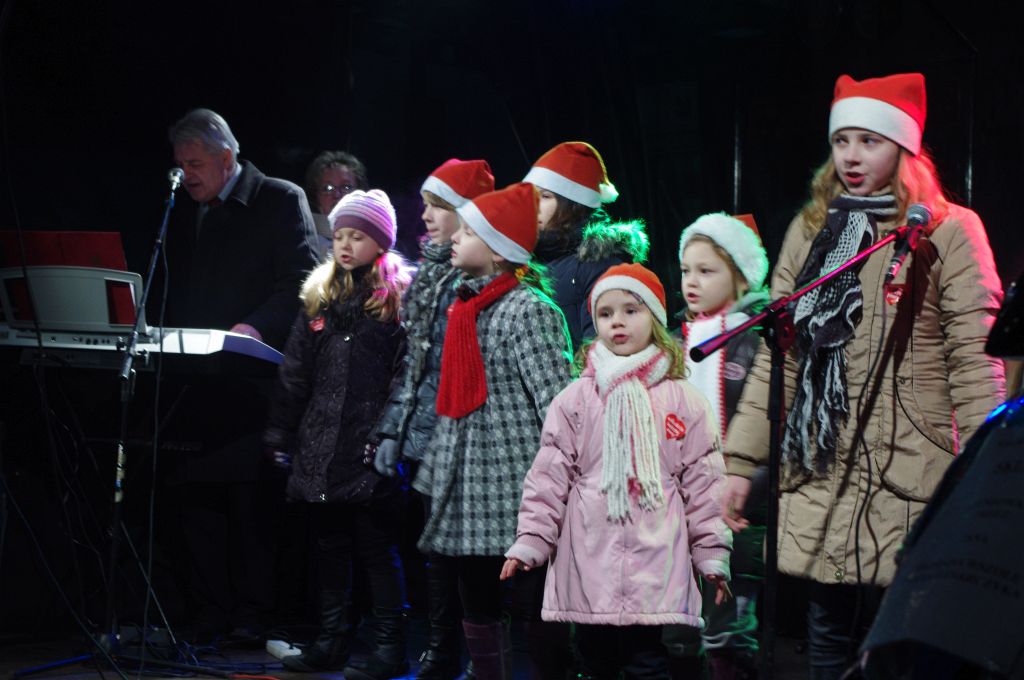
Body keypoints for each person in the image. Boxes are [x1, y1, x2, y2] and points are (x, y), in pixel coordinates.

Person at [721, 73, 1007, 680]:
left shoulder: (948, 230)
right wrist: (740, 464)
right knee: (825, 635)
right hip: (823, 465)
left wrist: (985, 472)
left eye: (869, 141)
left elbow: (974, 358)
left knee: (900, 643)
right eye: (841, 140)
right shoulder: (812, 229)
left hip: (911, 464)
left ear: (903, 149)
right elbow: (780, 355)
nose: (850, 156)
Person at [501, 263, 732, 680]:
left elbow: (704, 483)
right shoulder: (575, 399)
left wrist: (711, 553)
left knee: (647, 662)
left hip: (654, 559)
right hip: (590, 557)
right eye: (606, 313)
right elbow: (549, 476)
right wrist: (532, 539)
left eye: (631, 310)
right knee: (596, 660)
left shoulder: (684, 400)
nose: (617, 322)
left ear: (655, 318)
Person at [163, 108, 320, 642]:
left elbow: (301, 281)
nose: (186, 175)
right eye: (180, 164)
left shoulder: (279, 198)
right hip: (196, 376)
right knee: (196, 496)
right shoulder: (184, 208)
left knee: (249, 502)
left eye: (195, 164)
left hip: (254, 378)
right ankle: (209, 610)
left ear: (227, 157)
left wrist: (254, 327)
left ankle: (254, 614)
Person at [413, 182, 573, 679]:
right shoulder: (462, 305)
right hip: (466, 477)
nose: (455, 238)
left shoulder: (530, 309)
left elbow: (556, 404)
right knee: (475, 596)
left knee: (533, 600)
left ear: (500, 251)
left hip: (512, 477)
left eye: (468, 232)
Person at [264, 189, 412, 677]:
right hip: (322, 444)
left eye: (357, 236)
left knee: (375, 547)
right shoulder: (319, 297)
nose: (345, 245)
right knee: (328, 546)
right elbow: (295, 371)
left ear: (381, 243)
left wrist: (389, 435)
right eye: (340, 235)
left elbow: (406, 374)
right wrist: (281, 433)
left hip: (369, 446)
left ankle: (390, 647)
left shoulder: (396, 301)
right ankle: (332, 640)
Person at [370, 158, 495, 680]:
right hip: (428, 433)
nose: (424, 216)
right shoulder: (428, 278)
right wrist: (392, 431)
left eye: (438, 206)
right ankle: (441, 653)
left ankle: (478, 659)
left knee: (471, 555)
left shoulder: (478, 276)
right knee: (435, 550)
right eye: (424, 205)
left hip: (468, 433)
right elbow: (415, 364)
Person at [666, 213, 770, 679]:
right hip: (677, 507)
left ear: (741, 277)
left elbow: (765, 432)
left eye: (706, 271)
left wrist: (750, 487)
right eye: (686, 270)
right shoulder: (673, 340)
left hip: (737, 510)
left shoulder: (758, 342)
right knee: (679, 623)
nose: (691, 281)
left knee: (729, 624)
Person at [524, 141, 649, 350]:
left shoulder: (601, 263)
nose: (534, 205)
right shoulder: (529, 262)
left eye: (545, 196)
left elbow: (603, 349)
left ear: (574, 204)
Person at [304, 150, 370, 257]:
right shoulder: (305, 241)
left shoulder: (376, 239)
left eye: (346, 187)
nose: (337, 195)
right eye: (328, 188)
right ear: (316, 196)